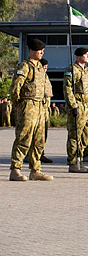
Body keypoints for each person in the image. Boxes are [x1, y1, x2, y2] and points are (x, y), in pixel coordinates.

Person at [9, 38, 52, 181]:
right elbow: (15, 88)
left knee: (38, 140)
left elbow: (46, 87)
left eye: (43, 51)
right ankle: (16, 169)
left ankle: (35, 169)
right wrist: (19, 106)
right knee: (24, 137)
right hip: (28, 105)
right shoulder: (25, 66)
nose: (41, 53)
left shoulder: (40, 67)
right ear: (32, 51)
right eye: (39, 50)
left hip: (40, 106)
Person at [64, 47, 88, 173]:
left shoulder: (87, 71)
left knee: (85, 135)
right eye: (86, 54)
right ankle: (73, 162)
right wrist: (73, 105)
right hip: (78, 105)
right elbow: (68, 89)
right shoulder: (72, 70)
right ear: (79, 56)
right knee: (75, 135)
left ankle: (80, 160)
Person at [39, 58, 54, 164]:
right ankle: (29, 154)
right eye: (44, 67)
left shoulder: (45, 77)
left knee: (44, 134)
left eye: (46, 67)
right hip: (36, 109)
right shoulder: (37, 77)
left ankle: (40, 153)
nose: (45, 69)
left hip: (45, 110)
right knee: (33, 133)